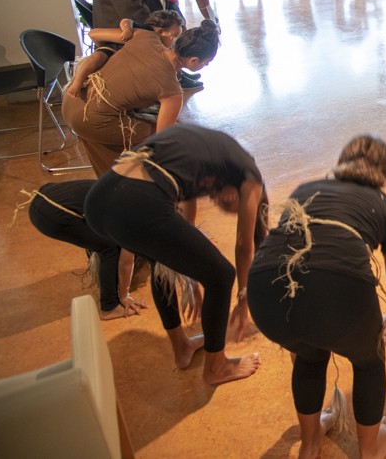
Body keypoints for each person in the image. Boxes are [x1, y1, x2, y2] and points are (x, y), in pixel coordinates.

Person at [249, 135, 386, 458]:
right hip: (337, 298)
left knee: (310, 356)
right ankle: (368, 451)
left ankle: (310, 445)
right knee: (369, 360)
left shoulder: (304, 190)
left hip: (265, 293)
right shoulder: (385, 207)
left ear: (341, 164)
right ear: (383, 175)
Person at [84, 124, 266, 386]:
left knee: (162, 262)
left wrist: (191, 275)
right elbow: (243, 244)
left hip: (101, 199)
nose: (222, 204)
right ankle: (217, 367)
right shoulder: (250, 175)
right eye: (229, 204)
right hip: (133, 201)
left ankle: (181, 348)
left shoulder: (207, 155)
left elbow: (182, 232)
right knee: (222, 275)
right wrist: (244, 299)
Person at [62, 17, 220, 176]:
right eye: (206, 63)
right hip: (90, 120)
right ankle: (134, 181)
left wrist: (124, 34)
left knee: (121, 119)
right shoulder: (172, 91)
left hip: (72, 101)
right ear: (193, 60)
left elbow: (94, 34)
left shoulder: (146, 36)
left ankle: (108, 176)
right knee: (152, 131)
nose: (205, 66)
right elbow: (161, 139)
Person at [25, 180, 145, 320]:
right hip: (51, 214)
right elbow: (126, 262)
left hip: (43, 196)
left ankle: (103, 278)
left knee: (98, 235)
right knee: (109, 248)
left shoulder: (129, 190)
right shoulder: (136, 215)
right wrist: (124, 296)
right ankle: (109, 307)